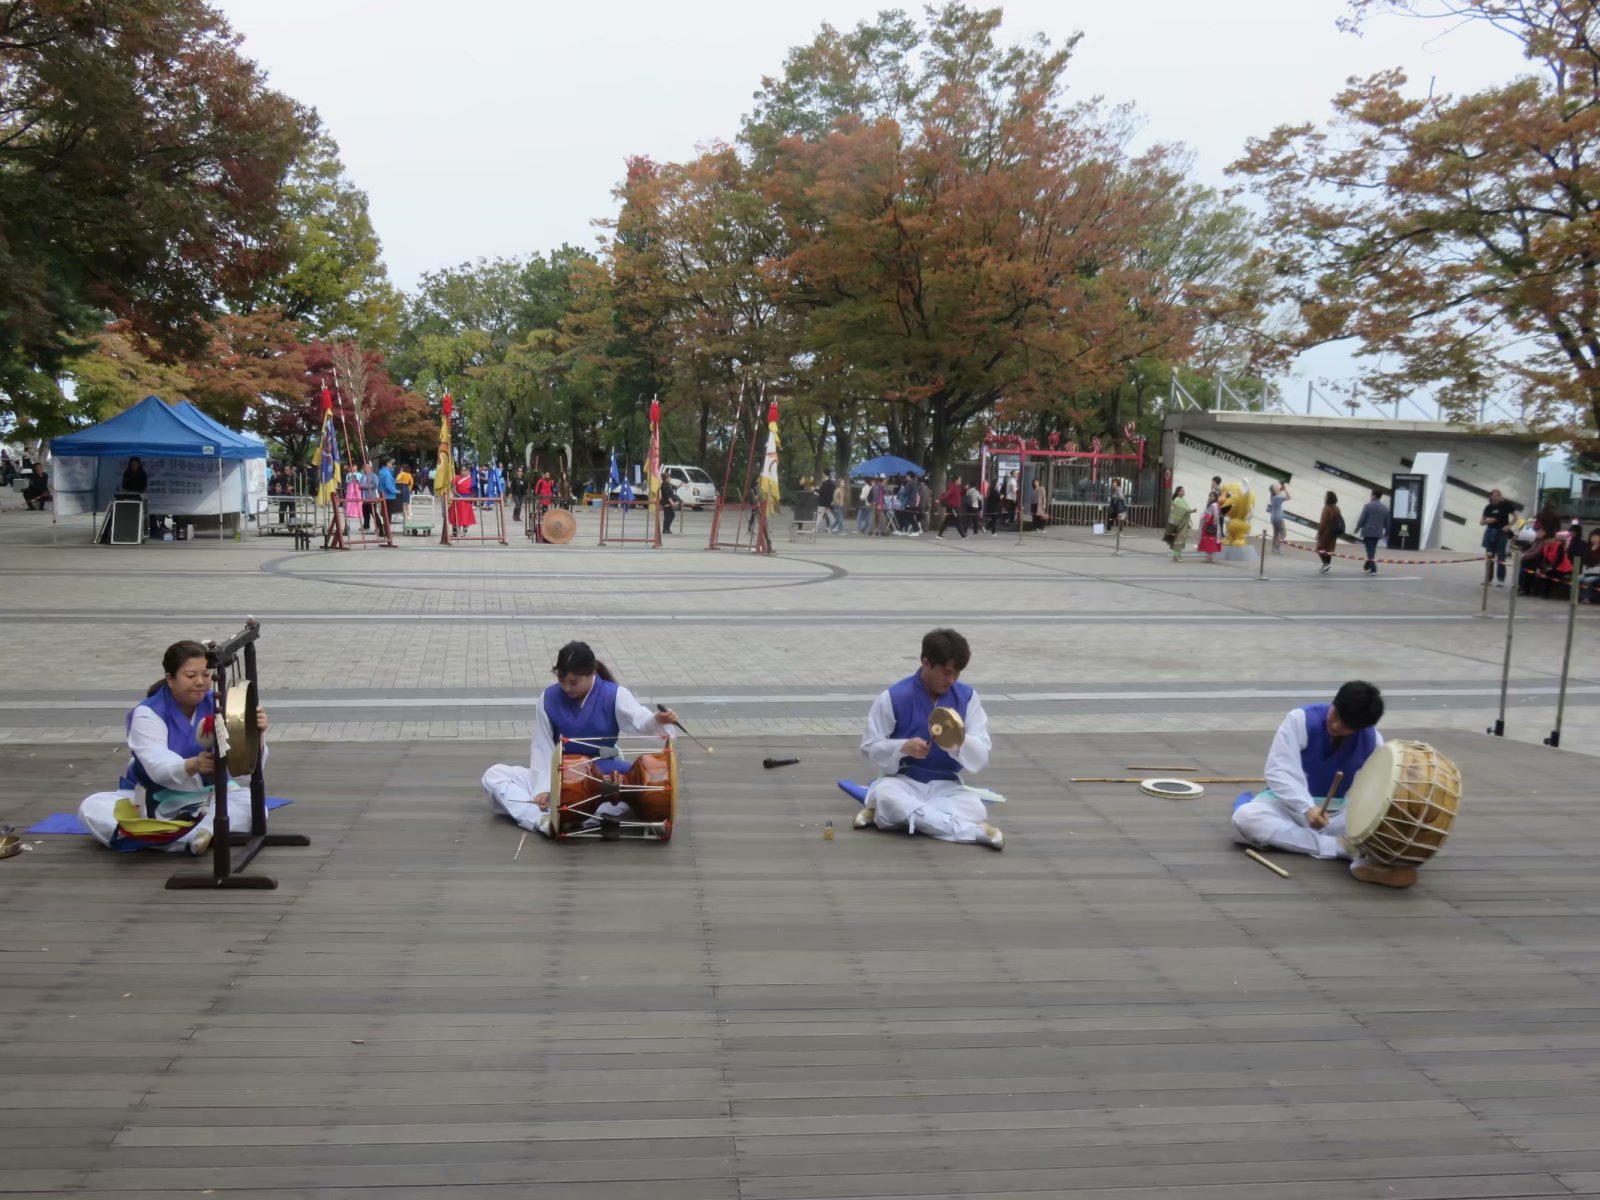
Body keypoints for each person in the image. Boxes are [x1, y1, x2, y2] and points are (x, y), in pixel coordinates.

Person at [77, 640, 270, 854]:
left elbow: (245, 768)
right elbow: (157, 765)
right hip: (154, 797)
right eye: (190, 676)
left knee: (255, 805)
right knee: (92, 807)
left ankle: (174, 836)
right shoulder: (148, 713)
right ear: (170, 678)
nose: (200, 682)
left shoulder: (218, 705)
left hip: (209, 795)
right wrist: (194, 764)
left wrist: (255, 733)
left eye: (206, 675)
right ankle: (191, 837)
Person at [481, 641, 678, 837]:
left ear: (592, 673)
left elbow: (640, 721)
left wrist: (657, 719)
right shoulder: (548, 698)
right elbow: (543, 747)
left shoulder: (614, 694)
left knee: (625, 797)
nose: (567, 688)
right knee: (494, 774)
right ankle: (541, 820)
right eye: (561, 680)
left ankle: (568, 817)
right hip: (560, 772)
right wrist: (544, 789)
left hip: (602, 774)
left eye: (574, 682)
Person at [1230, 682, 1416, 888]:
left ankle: (1358, 857)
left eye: (1346, 726)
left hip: (1336, 816)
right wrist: (1307, 807)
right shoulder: (1300, 719)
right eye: (1335, 715)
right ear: (1334, 702)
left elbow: (1376, 791)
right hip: (1286, 806)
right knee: (1246, 817)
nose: (1335, 726)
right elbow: (1278, 771)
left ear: (1360, 728)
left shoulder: (1373, 741)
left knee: (1381, 825)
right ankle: (1345, 850)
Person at [855, 628, 1002, 850]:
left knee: (974, 807)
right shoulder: (893, 697)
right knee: (887, 795)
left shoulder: (968, 698)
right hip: (902, 782)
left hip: (947, 786)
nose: (951, 680)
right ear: (926, 663)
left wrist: (959, 740)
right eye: (946, 672)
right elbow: (869, 748)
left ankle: (892, 816)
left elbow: (981, 756)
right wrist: (903, 747)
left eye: (957, 674)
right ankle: (974, 831)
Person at [1480, 488, 1519, 587]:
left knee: (1501, 556)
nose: (1496, 497)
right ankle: (1488, 579)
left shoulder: (1505, 505)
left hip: (1501, 533)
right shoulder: (1488, 507)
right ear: (1491, 497)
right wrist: (1488, 521)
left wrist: (1508, 526)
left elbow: (1515, 517)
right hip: (1490, 532)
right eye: (1494, 496)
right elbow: (1481, 522)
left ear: (1500, 497)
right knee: (1489, 556)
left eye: (1498, 495)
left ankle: (1501, 580)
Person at [1354, 488, 1390, 575]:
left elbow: (1362, 518)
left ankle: (1373, 568)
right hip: (1378, 532)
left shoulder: (1368, 506)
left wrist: (1357, 528)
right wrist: (1387, 532)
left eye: (1371, 495)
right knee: (1372, 549)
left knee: (1369, 549)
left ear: (1373, 496)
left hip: (1368, 531)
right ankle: (1367, 564)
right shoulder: (1384, 508)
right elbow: (1387, 522)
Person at [1316, 490, 1342, 574]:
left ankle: (1326, 564)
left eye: (1325, 496)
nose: (1324, 497)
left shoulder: (1326, 509)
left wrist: (1319, 533)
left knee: (1320, 549)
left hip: (1326, 533)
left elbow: (1323, 523)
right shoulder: (1337, 508)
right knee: (1329, 550)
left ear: (1328, 498)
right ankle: (1326, 566)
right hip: (1333, 532)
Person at [1164, 486, 1193, 560]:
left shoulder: (1183, 499)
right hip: (1179, 522)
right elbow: (1180, 510)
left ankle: (1178, 555)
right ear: (1178, 492)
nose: (1184, 491)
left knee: (1181, 538)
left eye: (1184, 490)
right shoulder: (1177, 500)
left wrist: (1189, 511)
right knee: (1178, 539)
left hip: (1184, 522)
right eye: (1182, 490)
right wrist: (1189, 511)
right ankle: (1176, 556)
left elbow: (1186, 509)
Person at [377, 458, 400, 537]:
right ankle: (387, 532)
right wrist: (395, 491)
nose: (392, 464)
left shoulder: (381, 472)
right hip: (389, 496)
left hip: (382, 495)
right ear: (387, 464)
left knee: (384, 513)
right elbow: (388, 484)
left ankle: (382, 531)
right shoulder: (387, 473)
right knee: (388, 514)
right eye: (390, 463)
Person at [451, 466, 477, 536]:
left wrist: (472, 499)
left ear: (468, 472)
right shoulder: (457, 477)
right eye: (462, 471)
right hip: (457, 498)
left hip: (466, 499)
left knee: (465, 516)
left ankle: (464, 530)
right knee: (455, 515)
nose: (463, 472)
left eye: (464, 471)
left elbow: (474, 491)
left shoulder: (471, 480)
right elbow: (452, 484)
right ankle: (455, 531)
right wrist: (453, 488)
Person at [1196, 495, 1223, 563]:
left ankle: (1209, 558)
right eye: (1210, 496)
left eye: (1212, 496)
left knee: (1209, 541)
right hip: (1213, 524)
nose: (1211, 497)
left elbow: (1208, 515)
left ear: (1215, 498)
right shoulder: (1216, 505)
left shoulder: (1213, 505)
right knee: (1211, 540)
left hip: (1209, 524)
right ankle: (1209, 557)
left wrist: (1203, 518)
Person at [1578, 530, 1600, 604]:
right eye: (1592, 536)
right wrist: (1590, 550)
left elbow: (1596, 559)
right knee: (1578, 579)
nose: (1594, 538)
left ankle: (1587, 598)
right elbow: (1585, 559)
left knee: (1587, 581)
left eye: (1596, 537)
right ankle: (1580, 597)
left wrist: (1593, 551)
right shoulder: (1588, 547)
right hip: (1588, 572)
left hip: (1598, 573)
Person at [1267, 482, 1290, 554]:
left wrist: (1282, 488)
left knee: (1276, 533)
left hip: (1273, 518)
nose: (1277, 488)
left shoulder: (1272, 496)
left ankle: (1274, 548)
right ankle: (1277, 547)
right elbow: (1289, 497)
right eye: (1276, 488)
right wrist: (1285, 489)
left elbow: (1278, 491)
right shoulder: (1277, 498)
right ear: (1274, 490)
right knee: (1283, 533)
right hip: (1279, 518)